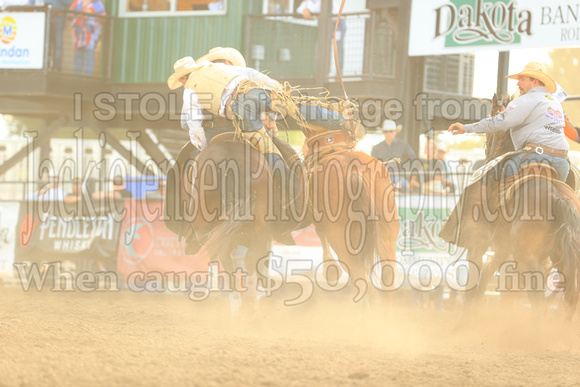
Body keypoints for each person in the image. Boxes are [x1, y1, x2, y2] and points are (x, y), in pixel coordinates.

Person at [448, 62, 570, 182]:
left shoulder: (525, 100)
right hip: (562, 161)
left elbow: (499, 123)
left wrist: (466, 128)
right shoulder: (555, 102)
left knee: (492, 175)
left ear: (535, 81)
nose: (518, 83)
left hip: (535, 157)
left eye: (522, 79)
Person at [297, 0, 346, 74]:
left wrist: (306, 9)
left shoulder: (320, 2)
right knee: (320, 48)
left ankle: (338, 74)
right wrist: (304, 9)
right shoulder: (308, 2)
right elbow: (299, 10)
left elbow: (315, 9)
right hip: (326, 25)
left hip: (338, 24)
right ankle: (321, 73)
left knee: (338, 50)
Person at [371, 119, 416, 190]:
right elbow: (372, 165)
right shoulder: (376, 148)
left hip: (399, 178)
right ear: (383, 132)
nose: (388, 133)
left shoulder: (404, 145)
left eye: (391, 131)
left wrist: (409, 176)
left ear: (395, 132)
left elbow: (413, 159)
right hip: (382, 179)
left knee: (405, 185)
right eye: (386, 131)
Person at [70, 0, 106, 76]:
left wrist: (92, 13)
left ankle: (88, 78)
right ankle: (76, 79)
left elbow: (103, 18)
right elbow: (69, 14)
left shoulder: (97, 3)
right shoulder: (78, 2)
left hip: (91, 36)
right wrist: (77, 14)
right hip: (78, 34)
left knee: (89, 57)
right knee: (77, 57)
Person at [46, 0, 72, 71]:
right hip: (46, 16)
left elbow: (69, 2)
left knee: (58, 43)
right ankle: (46, 65)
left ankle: (57, 67)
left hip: (59, 17)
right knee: (46, 43)